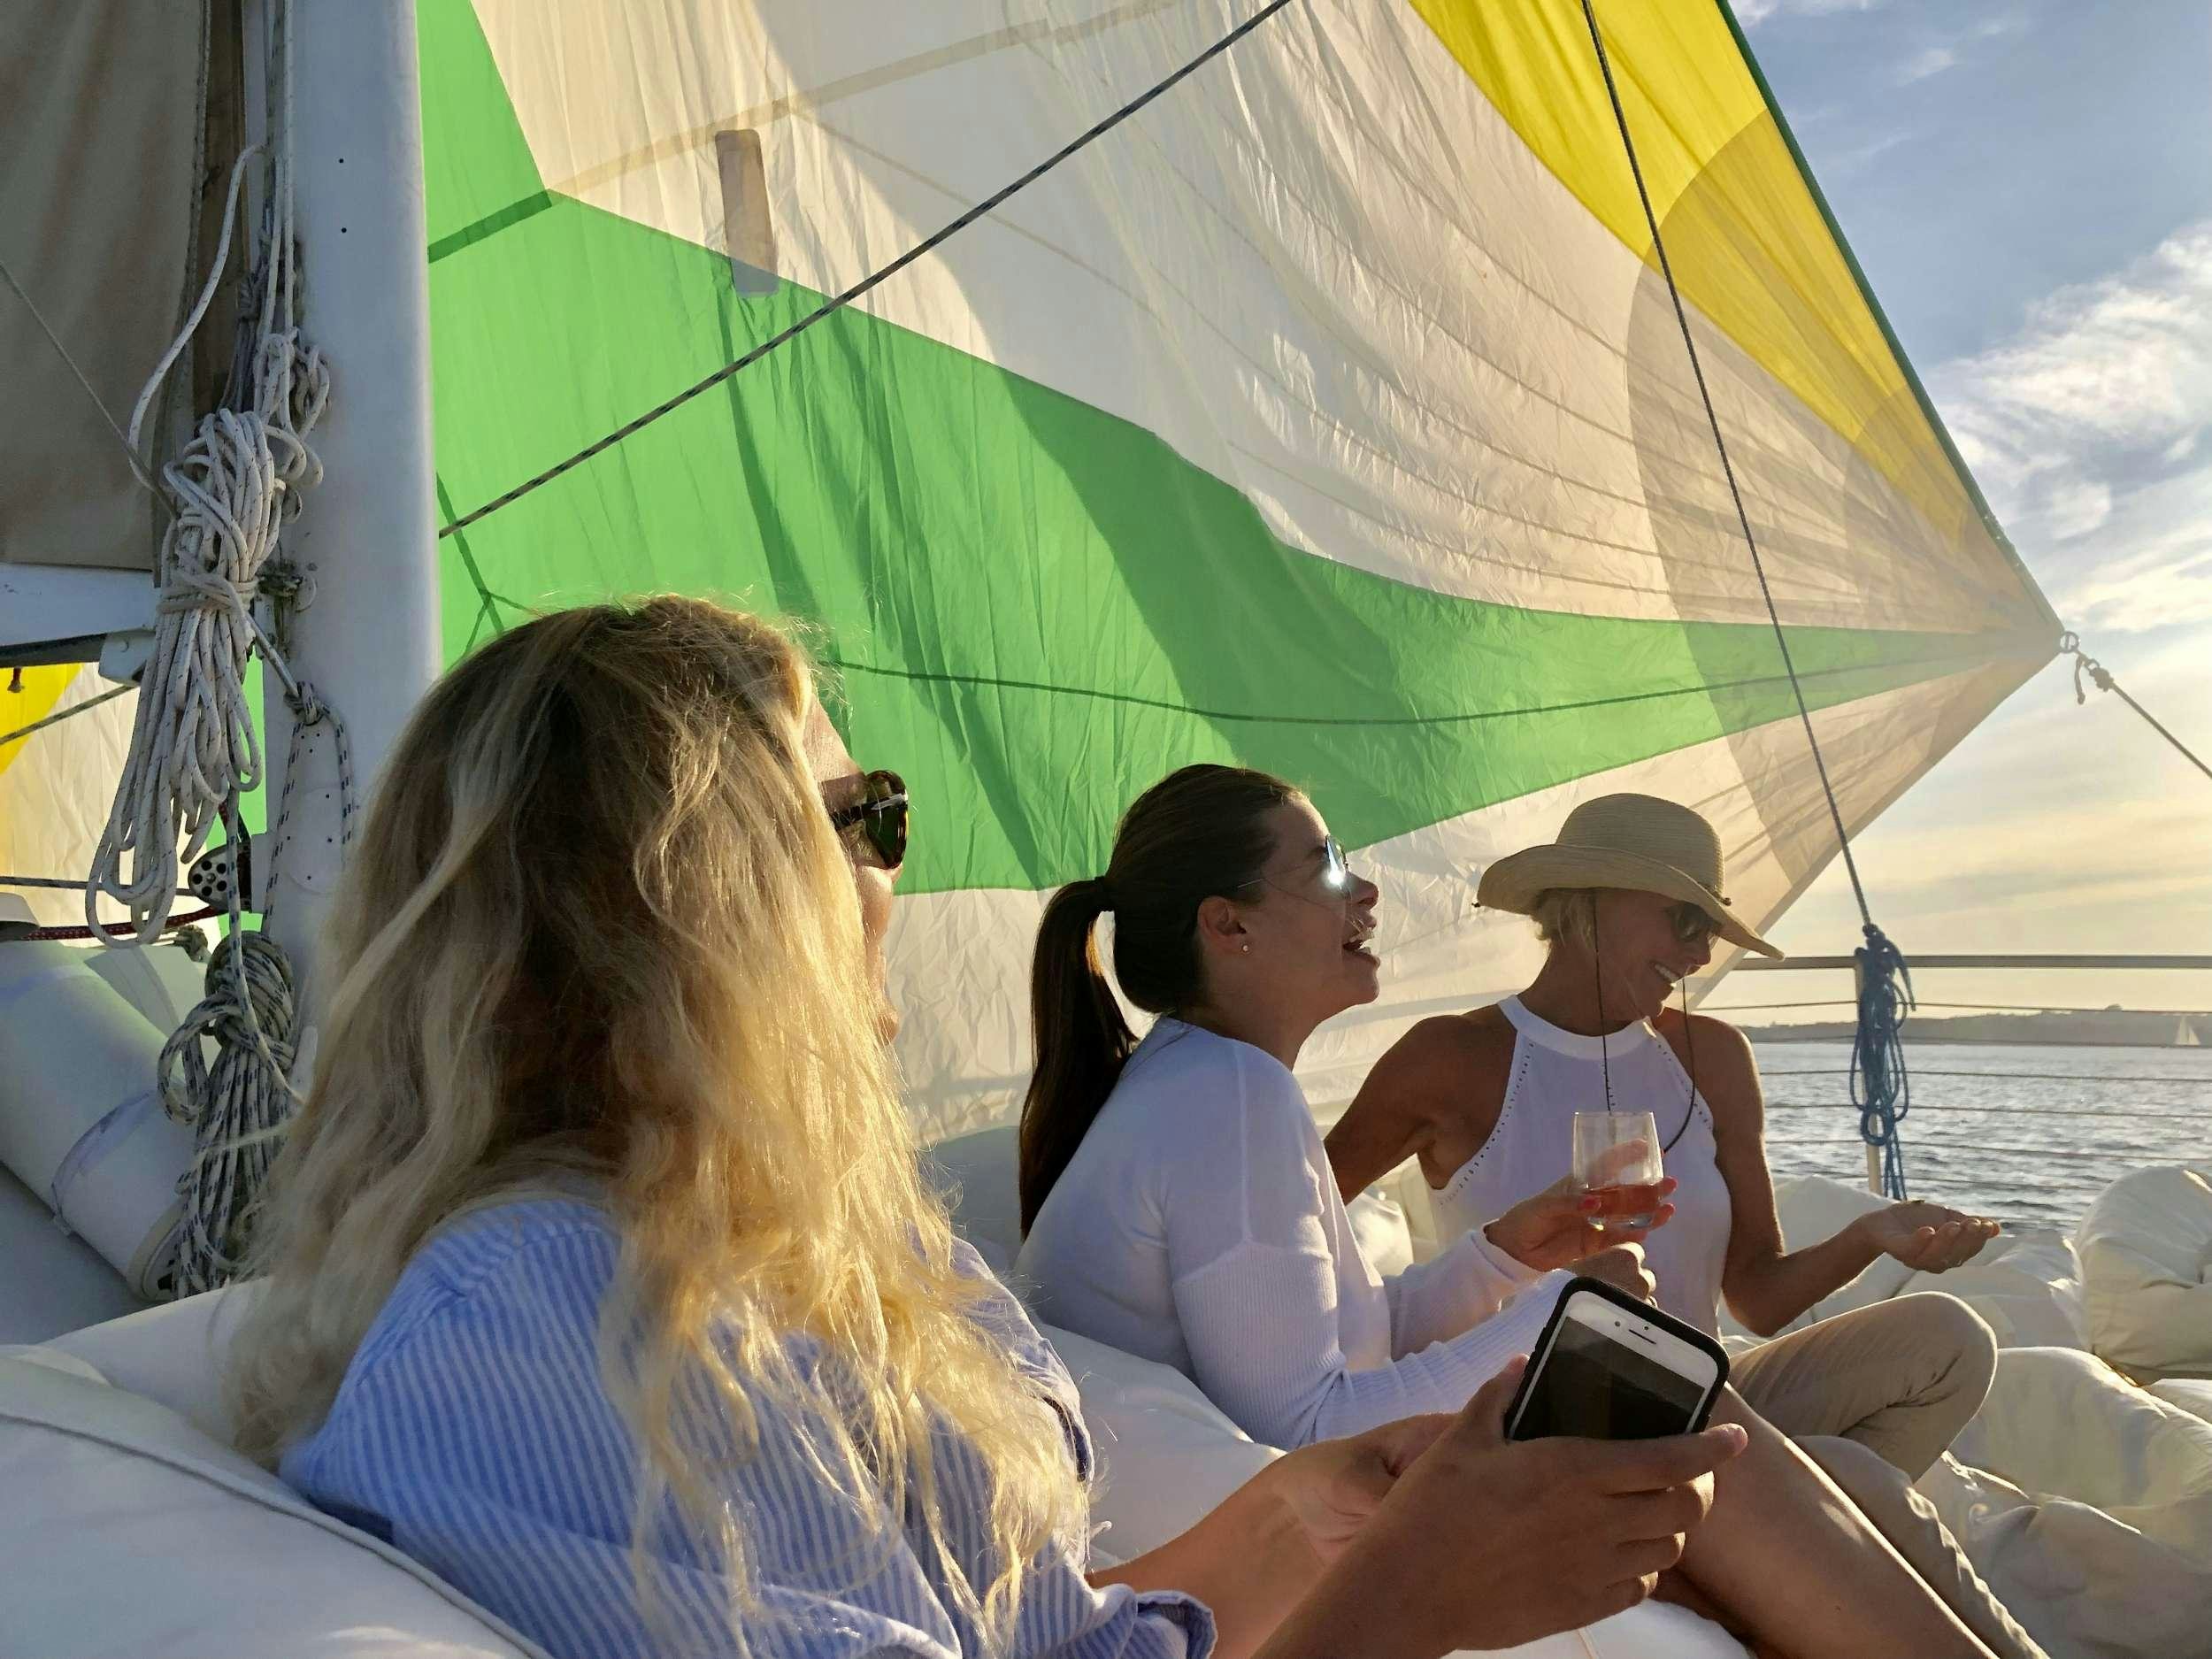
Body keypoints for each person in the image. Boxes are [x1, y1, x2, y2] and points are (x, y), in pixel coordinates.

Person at [224, 599, 1742, 1659]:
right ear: (709, 903)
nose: (899, 871)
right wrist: (1415, 1595)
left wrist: (1301, 1526)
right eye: (869, 815)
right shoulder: (542, 1324)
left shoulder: (776, 1271)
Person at [1018, 765, 2042, 1659]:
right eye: (1329, 864)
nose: (1365, 889)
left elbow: (1340, 1339)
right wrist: (1565, 1321)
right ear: (1226, 924)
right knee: (1674, 1398)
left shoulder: (1208, 1085)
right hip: (1318, 1529)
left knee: (1803, 1452)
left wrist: (1509, 1256)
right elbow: (1304, 1427)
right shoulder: (1231, 1097)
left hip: (1287, 1487)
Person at [1324, 793, 2004, 1483]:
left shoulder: (1714, 1059)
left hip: (1704, 1399)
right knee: (1846, 1484)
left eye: (1709, 926)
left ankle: (1751, 1540)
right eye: (1686, 918)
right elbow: (1298, 1225)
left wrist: (1870, 1235)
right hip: (1534, 1429)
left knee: (1952, 1340)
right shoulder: (1450, 1056)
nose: (1702, 952)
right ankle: (1770, 1537)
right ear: (1588, 902)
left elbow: (1759, 1299)